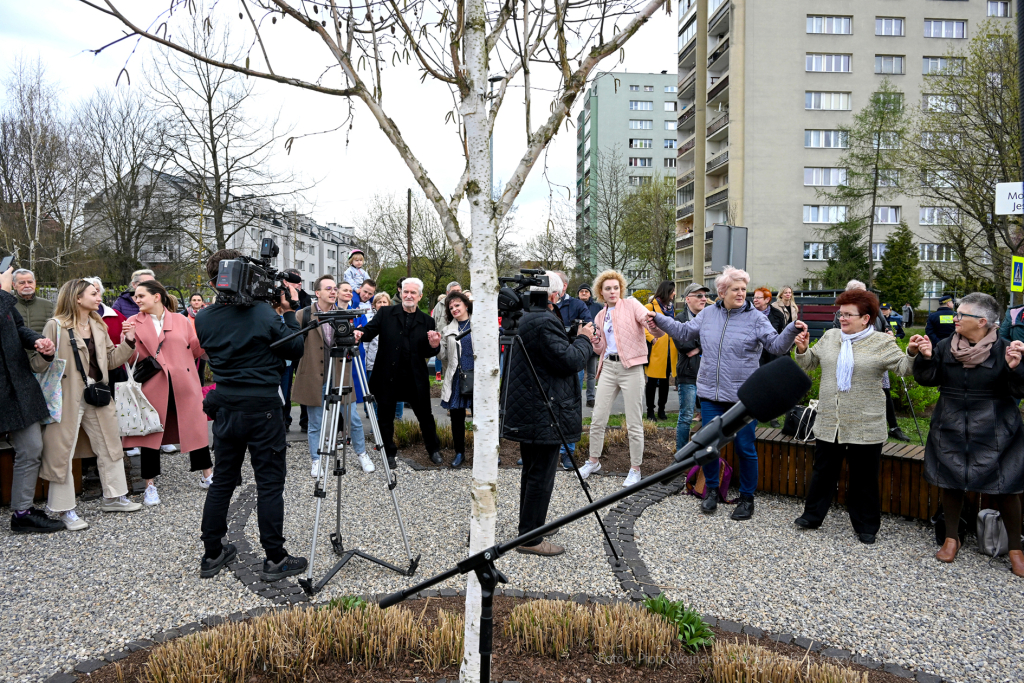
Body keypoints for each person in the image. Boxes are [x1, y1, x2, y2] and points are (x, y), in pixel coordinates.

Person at [645, 266, 805, 519]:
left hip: (744, 399)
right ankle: (711, 491)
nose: (742, 293)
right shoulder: (708, 313)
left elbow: (775, 345)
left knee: (745, 448)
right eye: (736, 289)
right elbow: (685, 332)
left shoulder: (756, 317)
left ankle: (747, 498)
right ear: (722, 292)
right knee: (709, 446)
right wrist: (657, 318)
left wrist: (792, 330)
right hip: (710, 394)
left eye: (744, 288)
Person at [195, 249, 307, 582]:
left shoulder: (203, 318)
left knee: (223, 483)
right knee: (270, 484)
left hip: (226, 407)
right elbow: (294, 349)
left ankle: (212, 553)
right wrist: (287, 312)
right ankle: (275, 558)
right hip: (262, 410)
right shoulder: (263, 314)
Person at [911, 293, 1024, 578]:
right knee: (951, 481)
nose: (955, 318)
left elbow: (1019, 391)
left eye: (961, 315)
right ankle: (952, 538)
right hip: (951, 421)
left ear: (982, 322)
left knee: (1006, 486)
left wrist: (1016, 368)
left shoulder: (1006, 348)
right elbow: (928, 379)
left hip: (996, 426)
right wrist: (925, 358)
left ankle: (1015, 548)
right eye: (956, 314)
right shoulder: (945, 346)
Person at [793, 289, 917, 544]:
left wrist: (913, 352)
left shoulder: (882, 342)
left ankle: (866, 525)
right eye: (840, 313)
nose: (842, 318)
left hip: (865, 421)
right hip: (830, 419)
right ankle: (812, 516)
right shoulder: (830, 337)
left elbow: (905, 368)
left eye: (849, 314)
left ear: (866, 318)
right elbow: (810, 362)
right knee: (823, 471)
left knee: (864, 477)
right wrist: (804, 349)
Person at [36, 279, 143, 530]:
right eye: (94, 294)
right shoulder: (56, 326)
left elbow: (111, 360)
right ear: (77, 298)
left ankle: (115, 496)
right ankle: (64, 510)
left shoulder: (98, 324)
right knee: (61, 451)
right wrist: (45, 353)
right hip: (66, 397)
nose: (99, 298)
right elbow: (39, 366)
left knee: (110, 443)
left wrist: (128, 341)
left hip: (98, 393)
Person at [500, 271, 593, 556]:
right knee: (540, 474)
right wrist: (584, 339)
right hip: (543, 409)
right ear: (553, 295)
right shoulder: (542, 320)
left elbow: (547, 352)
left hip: (531, 407)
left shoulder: (530, 317)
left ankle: (531, 526)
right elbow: (570, 360)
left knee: (532, 471)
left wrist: (568, 336)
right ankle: (530, 538)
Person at [122, 280, 213, 504]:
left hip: (184, 383)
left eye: (141, 295)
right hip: (153, 385)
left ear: (157, 297)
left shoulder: (180, 320)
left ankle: (208, 476)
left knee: (196, 428)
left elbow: (195, 349)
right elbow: (129, 360)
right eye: (136, 296)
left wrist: (210, 335)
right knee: (150, 435)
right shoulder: (133, 321)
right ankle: (149, 486)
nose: (137, 300)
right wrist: (129, 340)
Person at [354, 277, 443, 468]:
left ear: (419, 296)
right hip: (388, 375)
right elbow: (369, 331)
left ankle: (433, 449)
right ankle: (389, 452)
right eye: (405, 292)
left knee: (425, 416)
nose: (408, 295)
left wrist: (434, 346)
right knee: (385, 416)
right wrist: (359, 333)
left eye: (413, 293)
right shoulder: (386, 313)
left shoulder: (427, 320)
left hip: (414, 377)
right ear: (400, 293)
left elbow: (427, 352)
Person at [1, 266, 64, 533]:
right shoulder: (3, 296)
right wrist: (4, 290)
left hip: (18, 388)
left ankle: (22, 512)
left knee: (31, 448)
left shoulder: (5, 302)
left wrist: (40, 342)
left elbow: (18, 328)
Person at [578, 270, 652, 488]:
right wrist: (592, 337)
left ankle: (635, 468)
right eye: (608, 288)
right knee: (598, 417)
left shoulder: (631, 305)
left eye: (616, 287)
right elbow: (600, 348)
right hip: (608, 367)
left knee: (634, 422)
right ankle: (593, 461)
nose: (612, 291)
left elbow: (647, 322)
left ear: (621, 289)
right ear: (601, 292)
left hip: (631, 367)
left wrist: (654, 324)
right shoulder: (600, 315)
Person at [294, 276, 373, 475]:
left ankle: (362, 454)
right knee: (315, 422)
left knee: (353, 419)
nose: (333, 291)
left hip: (339, 374)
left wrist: (353, 338)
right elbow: (294, 345)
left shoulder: (344, 315)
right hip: (314, 375)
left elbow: (348, 342)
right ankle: (316, 460)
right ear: (317, 293)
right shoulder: (303, 315)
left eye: (334, 288)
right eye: (328, 288)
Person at [437, 291, 474, 468]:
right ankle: (460, 453)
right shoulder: (447, 330)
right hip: (457, 377)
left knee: (481, 419)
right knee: (457, 419)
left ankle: (487, 454)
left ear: (466, 305)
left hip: (477, 377)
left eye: (457, 305)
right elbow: (442, 357)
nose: (454, 309)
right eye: (451, 307)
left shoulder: (480, 324)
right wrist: (435, 344)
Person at [673, 283, 708, 450]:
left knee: (709, 416)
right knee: (686, 416)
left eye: (704, 296)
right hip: (688, 373)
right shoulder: (680, 319)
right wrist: (702, 344)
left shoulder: (710, 317)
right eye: (699, 296)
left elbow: (714, 342)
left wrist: (698, 347)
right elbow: (683, 345)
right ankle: (681, 455)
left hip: (708, 374)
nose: (704, 299)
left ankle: (702, 453)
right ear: (688, 299)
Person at [643, 281, 678, 422]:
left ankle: (662, 409)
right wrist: (651, 338)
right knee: (651, 381)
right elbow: (643, 326)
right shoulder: (650, 306)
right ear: (666, 292)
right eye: (672, 291)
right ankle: (650, 411)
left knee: (665, 382)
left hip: (670, 350)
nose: (674, 294)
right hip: (656, 350)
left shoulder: (671, 308)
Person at [577, 284, 602, 407]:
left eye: (586, 291)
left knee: (592, 374)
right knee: (578, 372)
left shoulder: (597, 307)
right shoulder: (574, 306)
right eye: (581, 291)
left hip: (593, 344)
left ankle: (591, 398)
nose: (584, 293)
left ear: (590, 294)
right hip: (578, 345)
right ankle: (576, 397)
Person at [432, 282, 462, 382]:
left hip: (463, 347)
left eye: (459, 291)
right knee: (449, 378)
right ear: (447, 292)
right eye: (454, 291)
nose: (457, 293)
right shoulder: (439, 306)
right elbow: (433, 324)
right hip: (445, 348)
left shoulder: (466, 304)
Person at [12, 268, 54, 335]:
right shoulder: (8, 306)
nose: (27, 286)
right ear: (14, 285)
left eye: (30, 282)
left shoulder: (49, 306)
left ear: (35, 283)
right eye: (22, 283)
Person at [752, 287, 786, 366]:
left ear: (767, 300)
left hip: (772, 357)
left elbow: (782, 336)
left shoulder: (778, 315)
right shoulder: (749, 314)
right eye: (754, 297)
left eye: (758, 298)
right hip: (754, 355)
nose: (754, 300)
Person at [364, 292, 391, 375]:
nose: (382, 304)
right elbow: (365, 346)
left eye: (384, 302)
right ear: (374, 305)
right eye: (379, 302)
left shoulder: (395, 322)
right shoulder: (369, 322)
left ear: (389, 304)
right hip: (372, 365)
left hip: (389, 364)